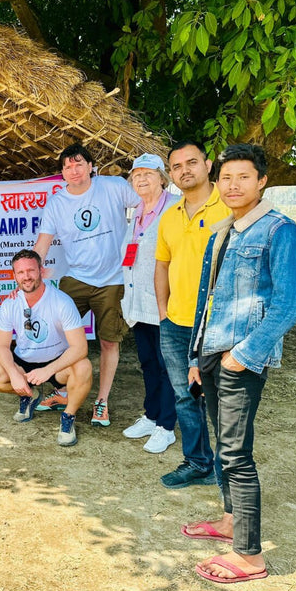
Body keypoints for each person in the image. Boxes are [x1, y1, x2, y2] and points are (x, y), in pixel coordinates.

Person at [184, 144, 296, 583]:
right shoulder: (224, 231)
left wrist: (243, 356)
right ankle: (231, 521)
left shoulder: (280, 231)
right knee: (224, 446)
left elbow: (290, 304)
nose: (233, 185)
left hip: (241, 358)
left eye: (243, 177)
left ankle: (250, 557)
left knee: (236, 455)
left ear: (262, 181)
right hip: (214, 353)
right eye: (226, 178)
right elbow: (209, 300)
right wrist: (198, 356)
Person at [33, 141, 140, 427]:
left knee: (108, 341)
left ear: (91, 167)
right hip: (76, 278)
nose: (74, 170)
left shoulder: (113, 186)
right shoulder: (57, 203)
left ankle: (101, 400)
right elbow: (43, 241)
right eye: (67, 166)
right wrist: (31, 269)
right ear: (62, 173)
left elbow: (147, 203)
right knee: (57, 336)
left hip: (114, 279)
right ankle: (63, 391)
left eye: (79, 163)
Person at [154, 141, 230, 489]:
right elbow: (162, 265)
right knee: (186, 397)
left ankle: (230, 470)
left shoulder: (229, 207)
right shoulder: (169, 216)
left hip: (218, 324)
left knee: (221, 400)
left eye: (191, 162)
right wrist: (162, 311)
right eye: (176, 166)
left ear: (208, 164)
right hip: (175, 323)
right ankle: (198, 462)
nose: (184, 170)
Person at [0, 250, 93, 446]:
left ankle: (68, 417)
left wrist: (48, 370)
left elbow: (80, 347)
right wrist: (14, 375)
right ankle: (30, 395)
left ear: (41, 270)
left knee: (84, 367)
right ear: (14, 276)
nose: (27, 277)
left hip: (56, 363)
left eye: (31, 270)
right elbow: (2, 346)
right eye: (21, 272)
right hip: (24, 362)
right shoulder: (10, 303)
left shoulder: (61, 301)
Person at [120, 154, 179, 453]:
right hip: (138, 303)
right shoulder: (137, 210)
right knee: (148, 363)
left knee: (168, 364)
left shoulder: (174, 208)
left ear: (162, 177)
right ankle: (152, 414)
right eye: (136, 175)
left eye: (148, 174)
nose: (141, 180)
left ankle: (166, 426)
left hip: (164, 302)